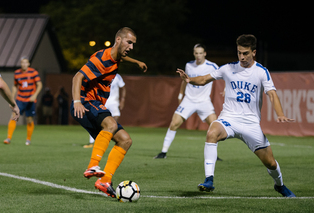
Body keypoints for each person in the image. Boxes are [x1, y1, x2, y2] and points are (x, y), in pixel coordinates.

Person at [177, 34, 296, 197]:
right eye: (239, 52)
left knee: (271, 163)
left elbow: (272, 94)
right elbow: (205, 79)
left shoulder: (261, 71)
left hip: (250, 123)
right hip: (229, 119)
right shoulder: (228, 68)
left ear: (254, 52)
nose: (241, 56)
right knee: (212, 132)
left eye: (245, 53)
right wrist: (189, 79)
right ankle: (209, 180)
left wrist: (280, 114)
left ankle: (280, 185)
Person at [71, 27, 147, 198]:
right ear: (118, 40)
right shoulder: (101, 59)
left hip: (94, 103)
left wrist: (136, 62)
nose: (132, 47)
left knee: (125, 140)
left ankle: (104, 180)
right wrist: (77, 101)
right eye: (129, 42)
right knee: (111, 124)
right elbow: (77, 77)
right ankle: (92, 165)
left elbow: (123, 57)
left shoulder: (116, 56)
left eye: (133, 44)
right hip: (85, 101)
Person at [154, 44, 219, 159]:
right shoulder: (189, 65)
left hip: (204, 101)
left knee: (215, 127)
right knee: (174, 123)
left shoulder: (212, 66)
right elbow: (185, 80)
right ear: (194, 53)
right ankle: (163, 152)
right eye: (196, 53)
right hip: (188, 100)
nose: (198, 56)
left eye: (200, 53)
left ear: (205, 54)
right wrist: (180, 94)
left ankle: (213, 155)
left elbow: (224, 76)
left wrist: (225, 89)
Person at [4, 58, 42, 145]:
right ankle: (8, 138)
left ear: (28, 64)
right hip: (20, 99)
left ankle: (28, 139)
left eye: (26, 63)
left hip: (30, 100)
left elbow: (39, 84)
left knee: (29, 120)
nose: (24, 64)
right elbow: (15, 86)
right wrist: (12, 97)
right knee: (14, 116)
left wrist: (35, 95)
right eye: (22, 63)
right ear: (20, 64)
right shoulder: (17, 73)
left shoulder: (33, 72)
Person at [85, 73, 126, 148]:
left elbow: (123, 87)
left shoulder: (117, 76)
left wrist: (122, 100)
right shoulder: (101, 74)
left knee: (115, 120)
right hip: (103, 101)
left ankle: (112, 139)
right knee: (95, 120)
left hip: (114, 102)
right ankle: (92, 142)